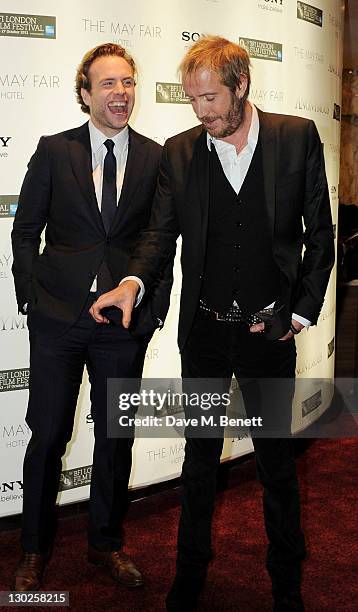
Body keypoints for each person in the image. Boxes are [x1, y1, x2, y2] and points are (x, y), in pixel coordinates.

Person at [91, 36, 335, 611]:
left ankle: (287, 584)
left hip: (267, 335)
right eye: (193, 101)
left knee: (276, 463)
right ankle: (190, 578)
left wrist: (298, 312)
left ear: (241, 85)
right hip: (203, 334)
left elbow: (320, 237)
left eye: (211, 99)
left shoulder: (295, 138)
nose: (202, 112)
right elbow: (158, 235)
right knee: (198, 462)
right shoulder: (181, 152)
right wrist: (132, 282)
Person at [11, 42, 172, 592]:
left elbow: (159, 239)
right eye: (108, 84)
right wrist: (31, 296)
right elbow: (25, 229)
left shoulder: (156, 157)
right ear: (85, 93)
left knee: (116, 437)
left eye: (127, 82)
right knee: (47, 434)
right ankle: (34, 548)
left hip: (122, 325)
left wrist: (150, 310)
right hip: (58, 319)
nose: (121, 92)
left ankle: (106, 544)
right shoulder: (55, 151)